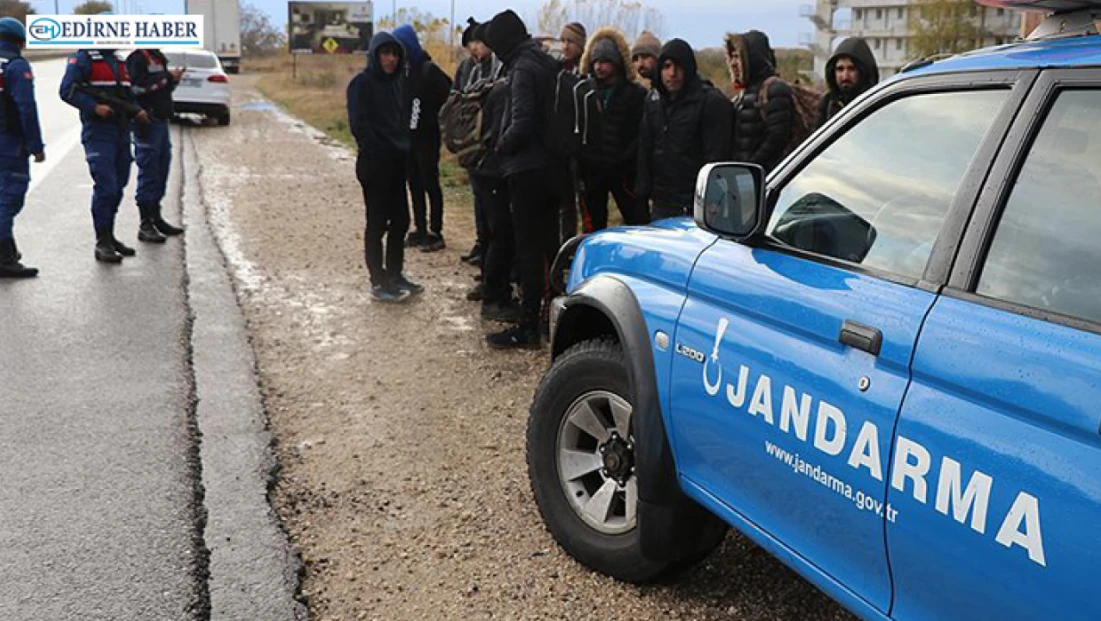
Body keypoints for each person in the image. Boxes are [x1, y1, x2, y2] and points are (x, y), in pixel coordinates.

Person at [484, 9, 565, 348]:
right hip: (551, 169)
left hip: (526, 171)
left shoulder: (522, 68)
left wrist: (499, 147)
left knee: (529, 249)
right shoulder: (544, 63)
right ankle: (552, 319)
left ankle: (528, 326)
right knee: (549, 245)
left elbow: (521, 121)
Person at [347, 31, 422, 302]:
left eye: (394, 54)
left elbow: (401, 121)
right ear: (375, 55)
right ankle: (377, 281)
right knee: (377, 223)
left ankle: (394, 274)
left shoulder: (396, 83)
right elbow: (359, 125)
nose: (390, 59)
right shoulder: (362, 83)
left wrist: (405, 146)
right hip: (374, 165)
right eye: (385, 54)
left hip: (397, 163)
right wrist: (376, 150)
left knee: (401, 220)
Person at [61, 48, 149, 263]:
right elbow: (66, 90)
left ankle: (110, 235)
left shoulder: (119, 60)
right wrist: (93, 107)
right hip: (99, 131)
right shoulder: (83, 58)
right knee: (106, 186)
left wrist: (137, 111)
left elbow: (126, 96)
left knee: (119, 184)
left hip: (121, 129)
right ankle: (102, 241)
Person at [636, 39, 731, 220]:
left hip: (696, 201)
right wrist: (642, 193)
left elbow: (717, 156)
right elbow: (646, 147)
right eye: (667, 66)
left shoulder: (709, 101)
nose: (672, 74)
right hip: (662, 200)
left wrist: (711, 199)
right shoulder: (653, 101)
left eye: (679, 67)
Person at [469, 22, 517, 322]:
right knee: (502, 234)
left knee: (489, 232)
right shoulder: (506, 87)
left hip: (479, 169)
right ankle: (493, 298)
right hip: (493, 171)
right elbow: (504, 135)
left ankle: (489, 288)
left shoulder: (489, 84)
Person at [577, 27, 647, 230]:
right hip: (593, 171)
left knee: (637, 224)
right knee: (593, 227)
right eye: (596, 62)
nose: (599, 67)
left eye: (605, 62)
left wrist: (625, 160)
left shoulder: (635, 95)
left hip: (624, 172)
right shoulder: (585, 92)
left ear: (617, 62)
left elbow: (641, 133)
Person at [392, 25, 452, 253]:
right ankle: (420, 228)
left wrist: (435, 120)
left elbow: (450, 97)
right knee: (414, 183)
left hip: (427, 137)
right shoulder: (401, 71)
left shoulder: (428, 70)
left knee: (430, 182)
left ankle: (436, 231)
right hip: (407, 140)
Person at [456, 20, 504, 272]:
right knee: (480, 203)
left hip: (490, 150)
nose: (474, 48)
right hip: (472, 146)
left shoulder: (498, 70)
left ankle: (489, 258)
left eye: (478, 43)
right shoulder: (469, 69)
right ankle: (482, 246)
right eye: (471, 44)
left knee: (494, 213)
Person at [126, 47, 185, 244]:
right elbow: (136, 88)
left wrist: (172, 80)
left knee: (162, 170)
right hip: (146, 122)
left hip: (162, 120)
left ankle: (156, 217)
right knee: (149, 171)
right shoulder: (136, 59)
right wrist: (165, 77)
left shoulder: (158, 57)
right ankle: (145, 223)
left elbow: (163, 89)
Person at [0, 17, 43, 278]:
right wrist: (36, 145)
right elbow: (26, 108)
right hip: (9, 141)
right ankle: (4, 259)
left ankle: (8, 249)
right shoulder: (16, 66)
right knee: (9, 197)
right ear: (20, 41)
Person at [726, 30, 795, 175]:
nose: (733, 63)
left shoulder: (774, 89)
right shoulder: (743, 94)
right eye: (731, 57)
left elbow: (778, 138)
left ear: (751, 58)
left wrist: (751, 167)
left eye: (737, 57)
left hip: (767, 177)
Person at [816, 37, 879, 129]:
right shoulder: (827, 103)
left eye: (851, 69)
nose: (845, 76)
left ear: (862, 72)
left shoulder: (875, 102)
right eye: (840, 69)